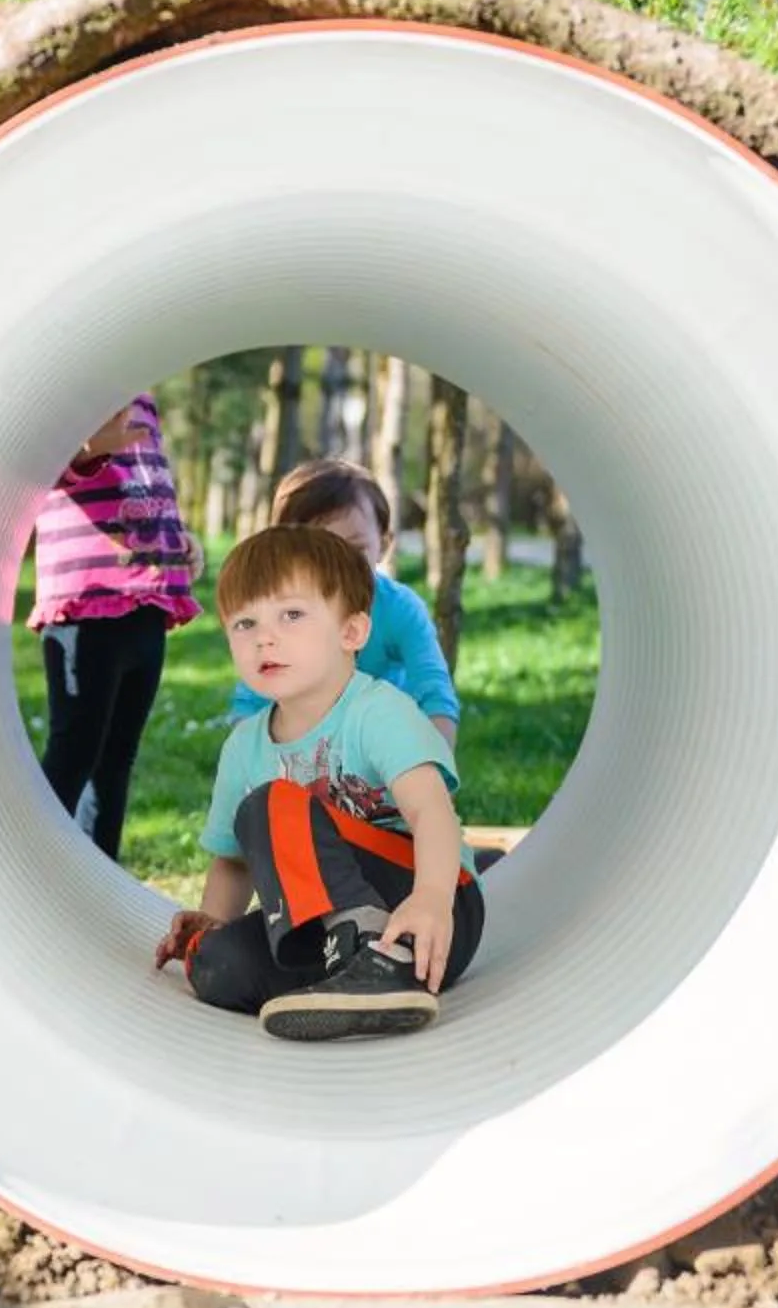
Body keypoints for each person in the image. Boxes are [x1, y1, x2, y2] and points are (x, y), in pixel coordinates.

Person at [154, 525, 485, 1040]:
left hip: (429, 904)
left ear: (351, 632)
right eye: (245, 623)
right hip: (322, 926)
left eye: (291, 615)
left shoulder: (377, 711)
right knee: (217, 963)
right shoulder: (244, 745)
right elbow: (233, 861)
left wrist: (433, 897)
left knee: (270, 805)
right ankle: (352, 975)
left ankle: (381, 961)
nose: (265, 636)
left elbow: (431, 812)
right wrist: (212, 922)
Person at [30, 394, 196, 858]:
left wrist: (178, 542)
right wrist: (89, 449)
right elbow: (53, 467)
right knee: (75, 750)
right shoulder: (79, 382)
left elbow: (145, 487)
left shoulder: (144, 397)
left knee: (116, 758)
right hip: (88, 604)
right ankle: (31, 867)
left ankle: (96, 870)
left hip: (146, 602)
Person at [231, 457, 459, 748]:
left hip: (383, 748)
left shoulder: (399, 610)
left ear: (383, 545)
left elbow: (435, 695)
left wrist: (433, 777)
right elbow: (250, 704)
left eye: (355, 548)